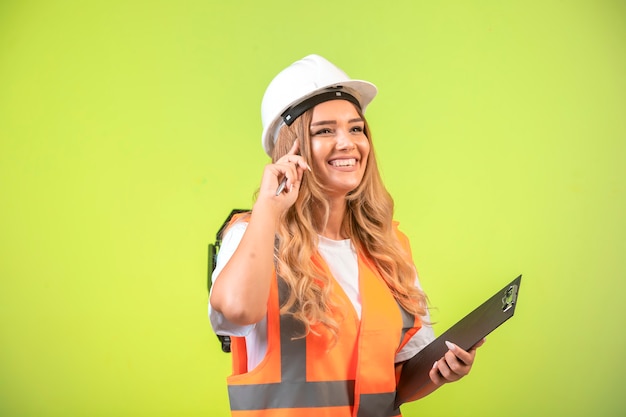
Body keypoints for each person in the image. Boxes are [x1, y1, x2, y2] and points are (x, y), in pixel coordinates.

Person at [209, 54, 484, 417]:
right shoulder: (252, 234)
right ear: (290, 148)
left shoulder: (388, 247)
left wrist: (441, 371)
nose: (348, 143)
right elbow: (237, 310)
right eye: (324, 130)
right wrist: (269, 207)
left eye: (356, 128)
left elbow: (398, 376)